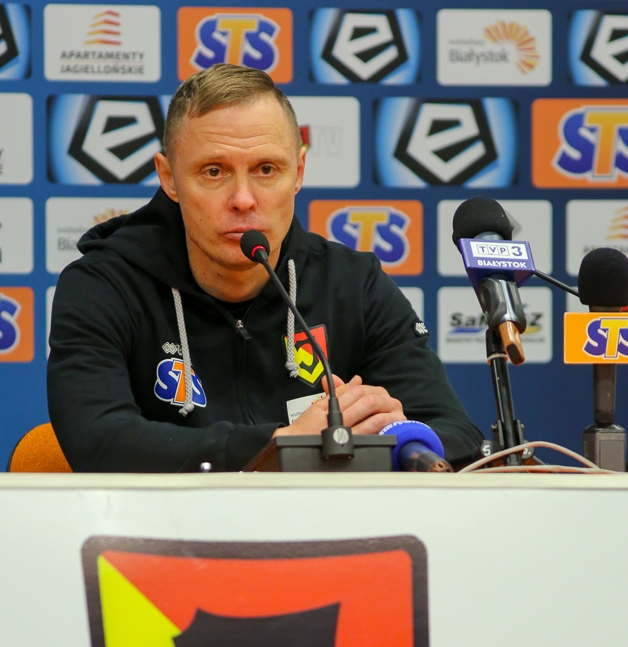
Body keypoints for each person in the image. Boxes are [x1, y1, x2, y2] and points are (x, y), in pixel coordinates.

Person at [48, 63, 482, 472]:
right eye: (214, 171)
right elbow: (97, 441)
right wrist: (282, 445)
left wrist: (398, 435)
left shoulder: (353, 285)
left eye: (266, 169)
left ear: (299, 172)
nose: (243, 199)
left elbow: (459, 435)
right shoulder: (103, 285)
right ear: (169, 178)